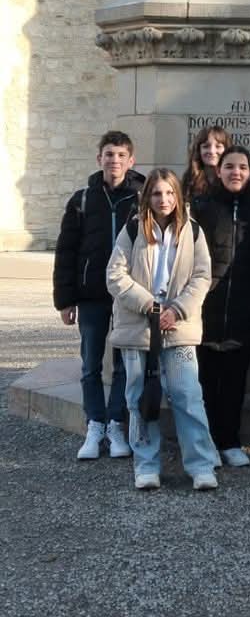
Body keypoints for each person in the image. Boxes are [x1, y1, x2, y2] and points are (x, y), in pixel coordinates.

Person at [106, 168, 219, 491]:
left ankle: (200, 465)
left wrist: (177, 309)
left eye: (170, 193)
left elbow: (202, 276)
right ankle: (146, 465)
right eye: (157, 193)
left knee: (188, 395)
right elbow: (115, 275)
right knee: (139, 398)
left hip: (178, 325)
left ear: (178, 196)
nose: (164, 199)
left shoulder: (192, 231)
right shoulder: (132, 229)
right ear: (147, 197)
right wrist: (149, 305)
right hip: (139, 326)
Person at [53, 130, 144, 462]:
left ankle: (116, 423)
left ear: (131, 161)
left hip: (127, 296)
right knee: (91, 364)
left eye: (121, 155)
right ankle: (95, 423)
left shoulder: (141, 198)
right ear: (99, 159)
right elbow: (66, 251)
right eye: (109, 154)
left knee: (122, 365)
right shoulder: (82, 200)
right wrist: (65, 300)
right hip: (91, 295)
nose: (114, 160)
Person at [192, 145, 250, 468]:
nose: (235, 172)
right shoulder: (202, 207)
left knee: (236, 381)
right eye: (229, 166)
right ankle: (207, 441)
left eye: (242, 167)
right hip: (206, 306)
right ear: (219, 170)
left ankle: (230, 440)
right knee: (206, 381)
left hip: (244, 305)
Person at [182, 124, 232, 214]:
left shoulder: (233, 180)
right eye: (206, 146)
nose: (212, 151)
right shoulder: (188, 182)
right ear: (199, 151)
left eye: (218, 146)